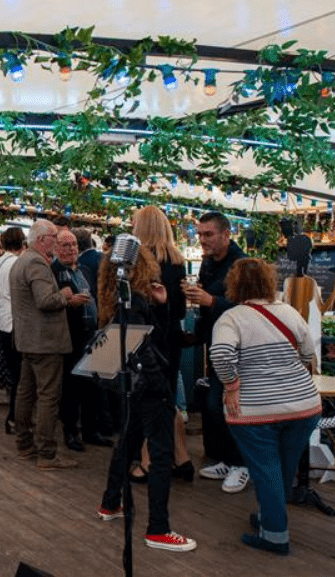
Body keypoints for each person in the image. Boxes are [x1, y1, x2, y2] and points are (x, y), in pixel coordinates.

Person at [210, 258, 321, 555]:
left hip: (256, 411)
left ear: (234, 284)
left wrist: (232, 385)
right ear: (268, 282)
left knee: (267, 471)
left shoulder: (232, 318)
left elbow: (220, 353)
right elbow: (309, 352)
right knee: (282, 469)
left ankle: (274, 535)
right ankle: (268, 516)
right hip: (304, 407)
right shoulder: (289, 311)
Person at [95, 246, 197, 552]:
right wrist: (161, 387)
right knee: (161, 454)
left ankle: (111, 503)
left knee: (127, 442)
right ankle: (158, 529)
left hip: (133, 385)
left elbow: (146, 338)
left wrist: (162, 307)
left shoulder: (117, 298)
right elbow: (145, 346)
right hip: (149, 386)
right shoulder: (134, 300)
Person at [184, 211, 249, 493]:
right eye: (199, 234)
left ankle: (242, 464)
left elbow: (248, 306)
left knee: (226, 405)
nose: (202, 240)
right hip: (215, 343)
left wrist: (211, 300)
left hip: (239, 347)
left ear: (226, 235)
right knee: (213, 406)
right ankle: (226, 459)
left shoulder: (242, 265)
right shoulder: (208, 262)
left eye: (208, 234)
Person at [131, 205, 193, 482]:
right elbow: (180, 311)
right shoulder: (178, 261)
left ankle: (149, 461)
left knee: (148, 400)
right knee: (168, 400)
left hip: (148, 339)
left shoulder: (140, 261)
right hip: (172, 339)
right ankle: (183, 459)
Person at [10, 220, 78, 470]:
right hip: (45, 342)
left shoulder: (22, 260)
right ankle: (47, 454)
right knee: (48, 397)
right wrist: (66, 296)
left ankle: (24, 445)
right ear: (41, 240)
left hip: (28, 340)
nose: (56, 241)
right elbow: (46, 300)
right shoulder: (36, 262)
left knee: (25, 394)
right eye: (53, 237)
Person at [51, 229, 109, 450]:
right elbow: (51, 303)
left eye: (74, 245)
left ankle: (91, 431)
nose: (71, 249)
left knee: (92, 385)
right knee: (71, 388)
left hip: (90, 334)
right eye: (65, 245)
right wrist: (68, 302)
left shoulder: (83, 269)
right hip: (70, 335)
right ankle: (70, 433)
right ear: (56, 248)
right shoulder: (54, 271)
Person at [0, 227, 24, 433]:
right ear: (22, 242)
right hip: (17, 325)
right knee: (22, 376)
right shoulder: (19, 264)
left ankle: (14, 416)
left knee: (14, 374)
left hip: (2, 323)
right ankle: (15, 417)